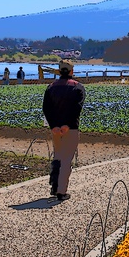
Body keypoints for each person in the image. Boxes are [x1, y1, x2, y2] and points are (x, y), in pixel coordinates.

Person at [42, 59, 85, 202]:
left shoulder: (51, 87)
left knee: (58, 156)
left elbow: (46, 109)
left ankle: (54, 186)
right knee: (66, 160)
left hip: (55, 129)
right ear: (72, 71)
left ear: (59, 71)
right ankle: (61, 191)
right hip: (70, 129)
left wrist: (54, 125)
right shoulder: (78, 87)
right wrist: (67, 124)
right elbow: (77, 108)